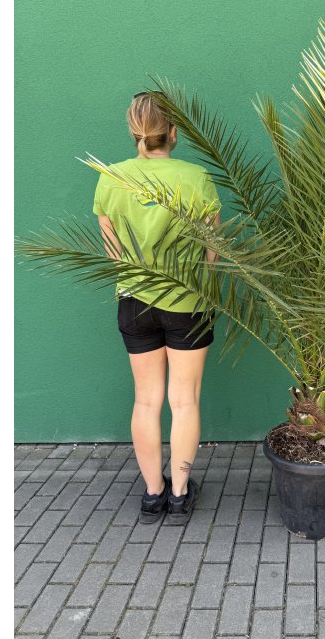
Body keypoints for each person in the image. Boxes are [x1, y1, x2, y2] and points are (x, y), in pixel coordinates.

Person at [92, 90, 221, 525]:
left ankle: (153, 494)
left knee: (146, 401)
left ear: (135, 132)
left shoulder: (111, 178)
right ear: (173, 131)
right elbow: (213, 248)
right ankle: (180, 495)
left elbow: (113, 250)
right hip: (187, 302)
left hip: (134, 300)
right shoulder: (196, 177)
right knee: (184, 401)